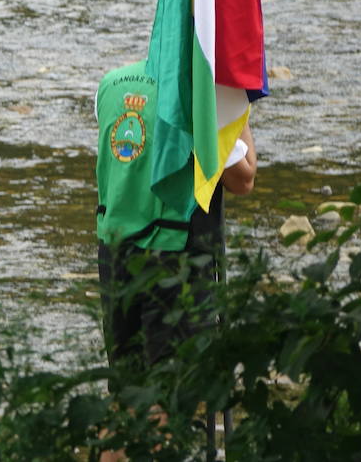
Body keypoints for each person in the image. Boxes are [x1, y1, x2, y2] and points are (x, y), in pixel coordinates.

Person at [93, 60, 257, 461]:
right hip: (176, 259)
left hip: (115, 251)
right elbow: (243, 178)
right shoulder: (202, 95)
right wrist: (237, 107)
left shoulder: (111, 84)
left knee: (125, 390)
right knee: (166, 395)